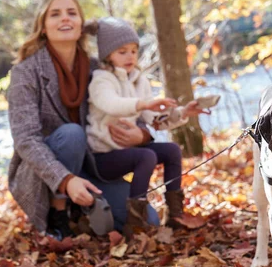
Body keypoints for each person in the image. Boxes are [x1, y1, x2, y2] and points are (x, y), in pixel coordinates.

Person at [7, 0, 160, 240]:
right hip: (47, 174)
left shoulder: (98, 68)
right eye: (55, 14)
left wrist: (141, 135)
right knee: (71, 134)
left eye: (72, 13)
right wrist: (65, 180)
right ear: (43, 27)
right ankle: (60, 212)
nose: (64, 18)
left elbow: (132, 106)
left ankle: (83, 209)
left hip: (93, 164)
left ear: (81, 25)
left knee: (149, 222)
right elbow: (25, 139)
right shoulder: (25, 73)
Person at [84, 17, 208, 234]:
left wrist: (182, 113)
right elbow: (111, 104)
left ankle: (175, 214)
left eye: (133, 50)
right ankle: (136, 222)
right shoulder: (101, 79)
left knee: (171, 150)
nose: (130, 56)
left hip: (127, 151)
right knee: (146, 156)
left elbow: (154, 119)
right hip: (102, 157)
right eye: (122, 52)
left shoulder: (138, 80)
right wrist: (143, 104)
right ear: (107, 55)